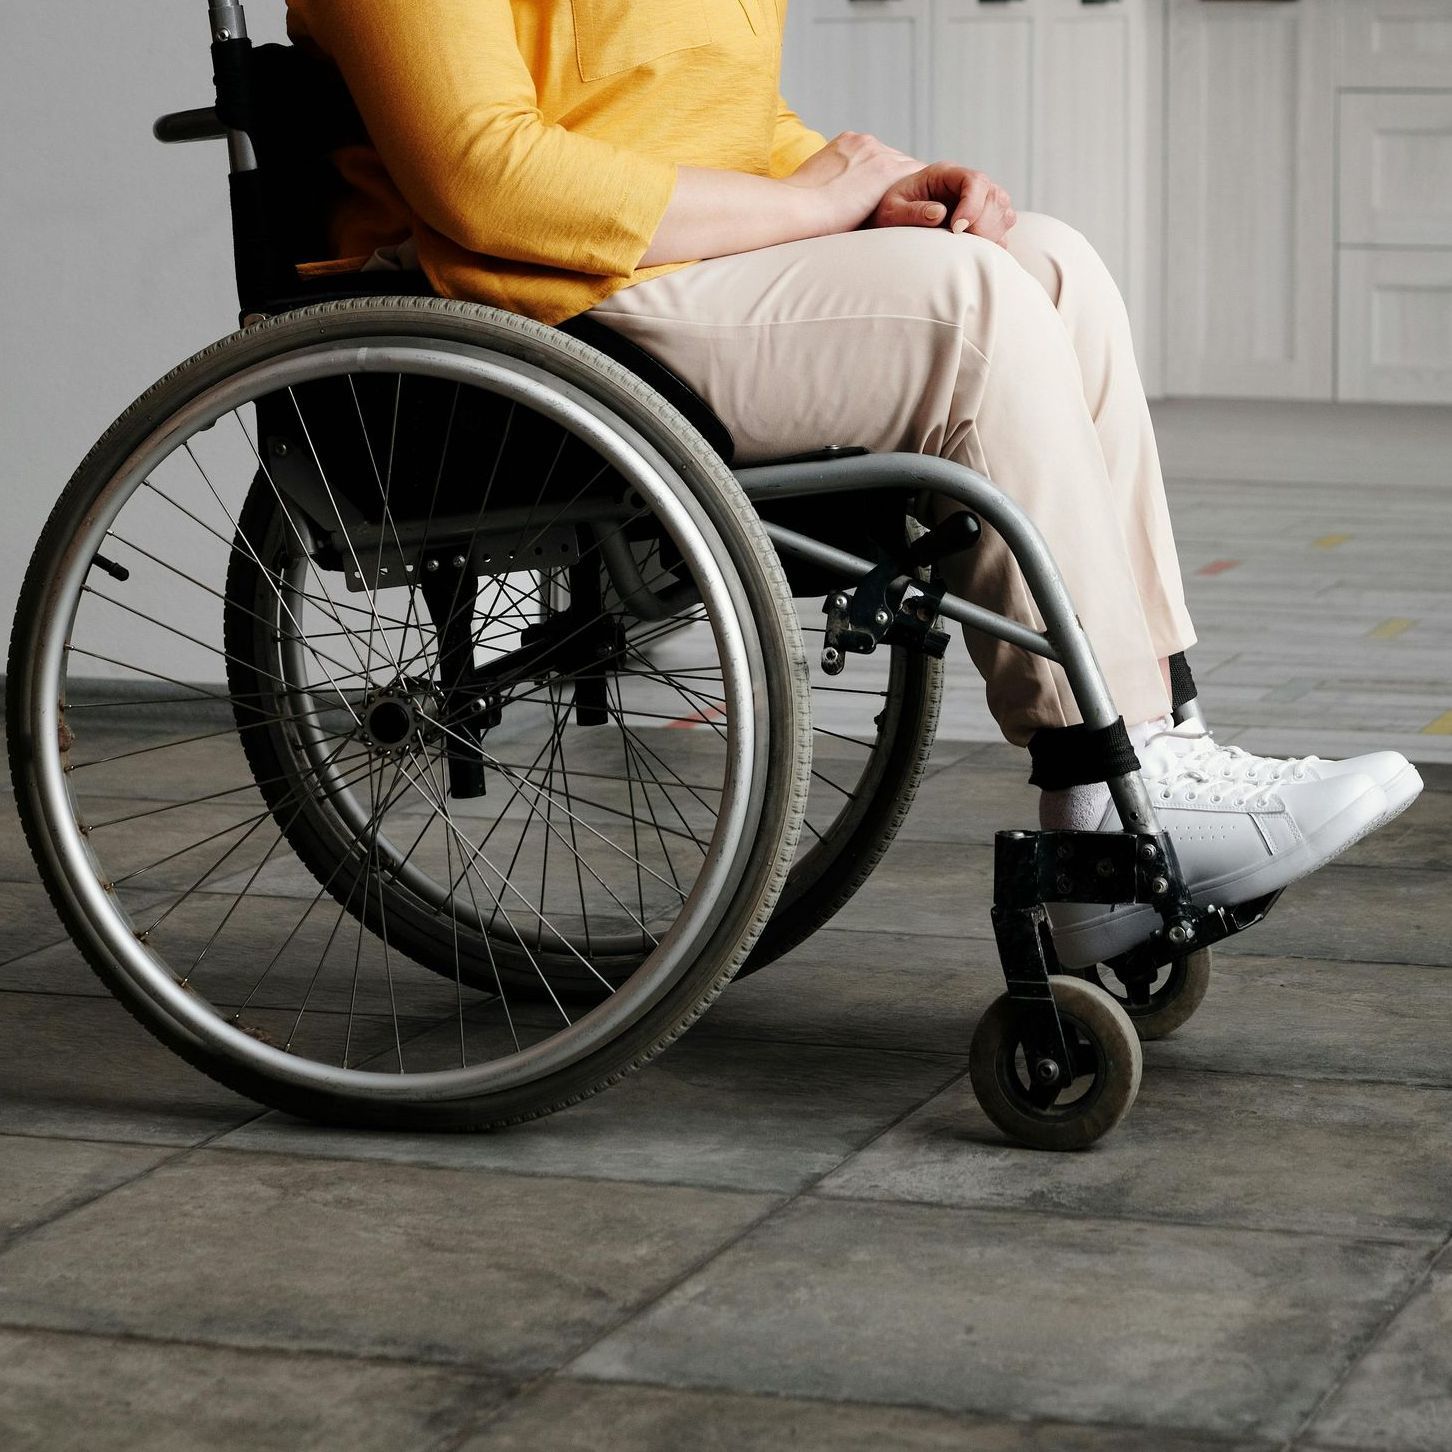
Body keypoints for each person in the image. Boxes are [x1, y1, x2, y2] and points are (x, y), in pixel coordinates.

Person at [284, 0, 1421, 965]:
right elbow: (486, 176)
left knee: (1052, 265)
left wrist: (876, 188)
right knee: (973, 314)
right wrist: (812, 206)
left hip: (667, 271)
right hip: (523, 292)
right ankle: (1110, 792)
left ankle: (1149, 759)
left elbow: (708, 123)